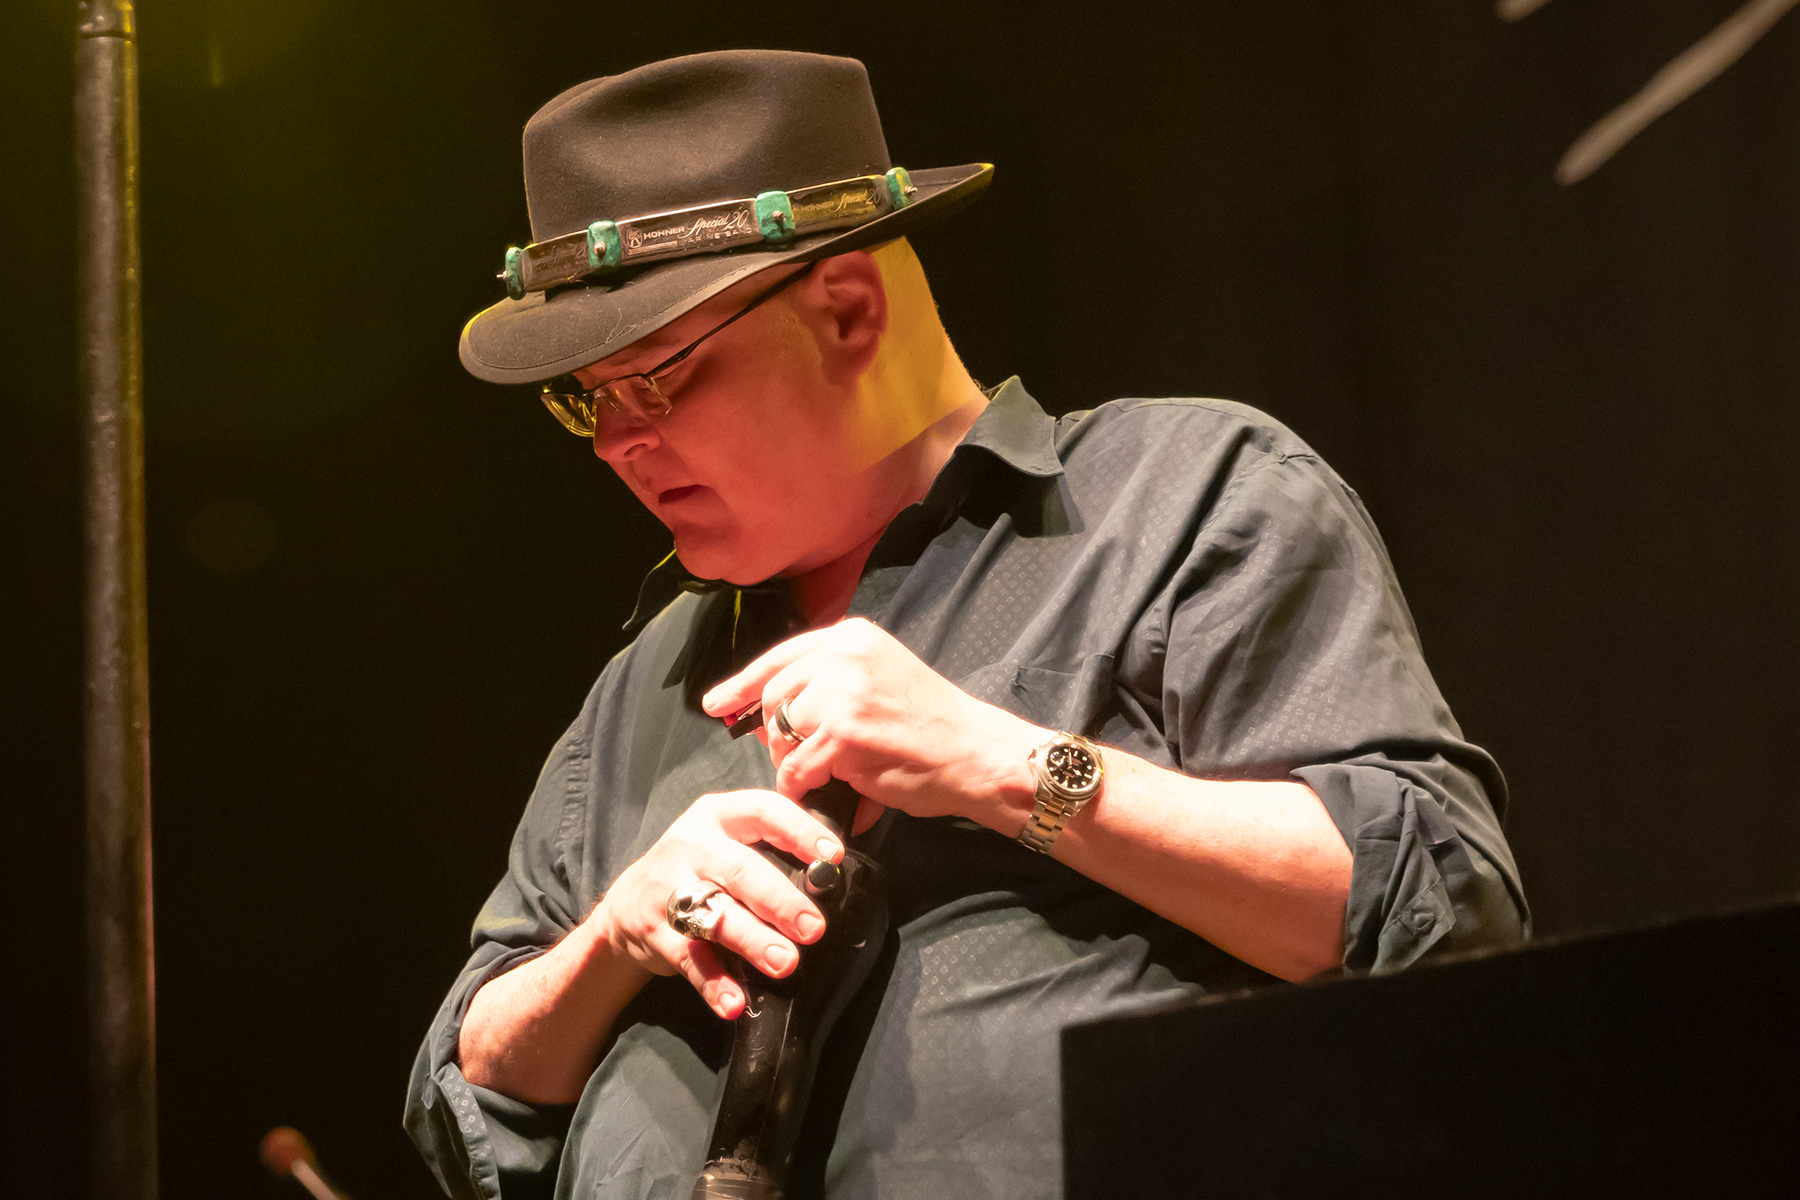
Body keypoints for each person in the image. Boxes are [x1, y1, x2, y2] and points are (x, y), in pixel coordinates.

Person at [405, 49, 1529, 1200]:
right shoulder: (643, 680)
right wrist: (611, 941)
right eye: (587, 398)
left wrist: (1003, 766)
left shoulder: (1183, 500)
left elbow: (1437, 909)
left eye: (656, 378)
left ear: (848, 310)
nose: (615, 443)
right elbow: (467, 1083)